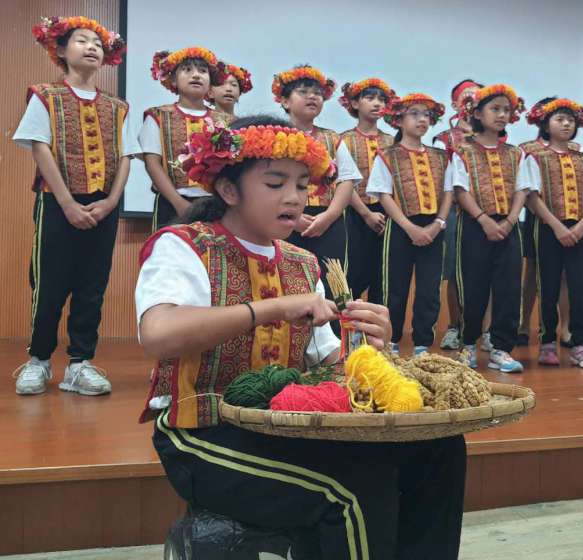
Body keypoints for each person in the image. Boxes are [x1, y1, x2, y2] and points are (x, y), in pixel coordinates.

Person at [136, 114, 466, 560]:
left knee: (439, 448)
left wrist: (370, 344)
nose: (294, 197)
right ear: (229, 190)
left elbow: (329, 364)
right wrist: (270, 309)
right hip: (203, 432)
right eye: (275, 184)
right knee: (348, 491)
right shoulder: (184, 244)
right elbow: (158, 334)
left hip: (287, 425)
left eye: (301, 184)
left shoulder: (302, 263)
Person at [12, 16, 135, 396]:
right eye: (82, 41)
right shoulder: (46, 95)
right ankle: (39, 360)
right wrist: (67, 203)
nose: (92, 47)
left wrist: (112, 202)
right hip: (57, 202)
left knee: (92, 286)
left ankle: (80, 363)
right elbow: (40, 147)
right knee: (48, 284)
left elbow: (127, 156)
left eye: (97, 43)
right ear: (61, 51)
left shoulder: (118, 107)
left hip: (104, 205)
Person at [447, 84, 534, 372]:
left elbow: (522, 189)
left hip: (509, 227)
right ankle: (469, 344)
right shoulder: (463, 151)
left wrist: (509, 220)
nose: (501, 115)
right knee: (473, 286)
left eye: (506, 110)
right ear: (477, 113)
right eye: (494, 109)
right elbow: (460, 190)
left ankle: (501, 348)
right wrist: (484, 220)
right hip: (474, 226)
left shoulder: (516, 154)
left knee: (509, 288)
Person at [366, 93, 452, 355]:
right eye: (414, 114)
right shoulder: (387, 155)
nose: (422, 119)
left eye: (426, 115)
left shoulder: (441, 156)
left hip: (435, 227)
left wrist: (437, 223)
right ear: (399, 119)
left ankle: (423, 343)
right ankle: (390, 341)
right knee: (395, 287)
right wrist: (409, 227)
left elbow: (449, 192)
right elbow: (383, 194)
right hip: (400, 227)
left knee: (429, 288)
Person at [525, 98, 583, 369]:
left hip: (580, 230)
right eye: (559, 119)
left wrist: (582, 225)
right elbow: (532, 198)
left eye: (570, 119)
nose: (566, 123)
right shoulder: (535, 158)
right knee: (547, 286)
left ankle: (580, 344)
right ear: (546, 124)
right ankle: (547, 342)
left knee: (582, 287)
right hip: (548, 230)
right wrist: (558, 227)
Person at [273, 65, 362, 303]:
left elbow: (346, 180)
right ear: (284, 101)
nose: (313, 96)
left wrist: (330, 215)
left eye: (318, 93)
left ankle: (334, 338)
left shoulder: (332, 138)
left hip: (328, 220)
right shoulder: (271, 136)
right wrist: (293, 218)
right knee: (286, 282)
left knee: (333, 285)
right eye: (303, 91)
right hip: (284, 219)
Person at [140, 47, 230, 230]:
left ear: (211, 82)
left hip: (216, 204)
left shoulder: (225, 121)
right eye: (187, 70)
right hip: (172, 202)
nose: (196, 75)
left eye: (203, 71)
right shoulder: (158, 116)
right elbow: (153, 164)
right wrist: (179, 203)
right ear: (173, 79)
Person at [434, 79, 482, 351]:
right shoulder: (443, 139)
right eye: (466, 97)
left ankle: (485, 330)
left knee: (485, 274)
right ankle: (454, 326)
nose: (472, 102)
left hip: (487, 214)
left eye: (478, 97)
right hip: (454, 212)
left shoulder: (498, 139)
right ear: (455, 104)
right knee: (454, 271)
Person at [338, 78, 396, 304]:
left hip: (388, 214)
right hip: (354, 212)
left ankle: (374, 332)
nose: (377, 103)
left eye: (381, 99)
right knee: (353, 272)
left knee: (383, 274)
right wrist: (366, 214)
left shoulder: (392, 142)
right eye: (370, 98)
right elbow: (343, 182)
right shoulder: (343, 140)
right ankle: (349, 330)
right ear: (354, 103)